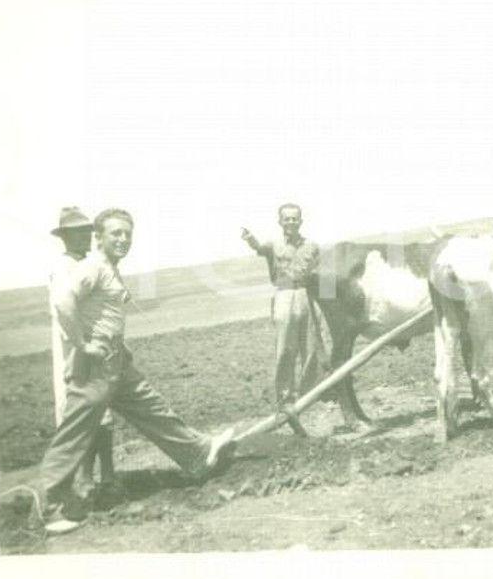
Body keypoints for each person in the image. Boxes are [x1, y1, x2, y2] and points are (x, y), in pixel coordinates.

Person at [38, 208, 236, 535]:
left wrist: (115, 344)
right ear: (98, 237)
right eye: (115, 233)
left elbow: (101, 311)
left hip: (115, 358)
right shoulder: (92, 267)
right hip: (95, 363)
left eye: (127, 234)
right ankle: (52, 506)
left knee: (151, 406)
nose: (123, 239)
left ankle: (199, 454)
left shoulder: (108, 269)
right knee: (76, 432)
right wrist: (83, 344)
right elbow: (63, 302)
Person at [48, 206, 115, 500]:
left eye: (88, 231)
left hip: (95, 347)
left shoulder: (86, 264)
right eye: (80, 232)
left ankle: (109, 474)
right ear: (66, 236)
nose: (86, 237)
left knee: (104, 411)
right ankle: (85, 480)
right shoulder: (64, 268)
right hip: (78, 349)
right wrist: (83, 345)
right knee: (86, 412)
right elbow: (65, 309)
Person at [241, 203, 327, 407]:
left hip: (308, 296)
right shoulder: (273, 245)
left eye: (294, 218)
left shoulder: (312, 246)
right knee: (286, 349)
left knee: (311, 347)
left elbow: (321, 274)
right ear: (280, 222)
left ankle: (309, 394)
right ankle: (285, 396)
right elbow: (259, 247)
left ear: (301, 221)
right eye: (286, 219)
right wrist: (250, 239)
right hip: (284, 295)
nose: (290, 222)